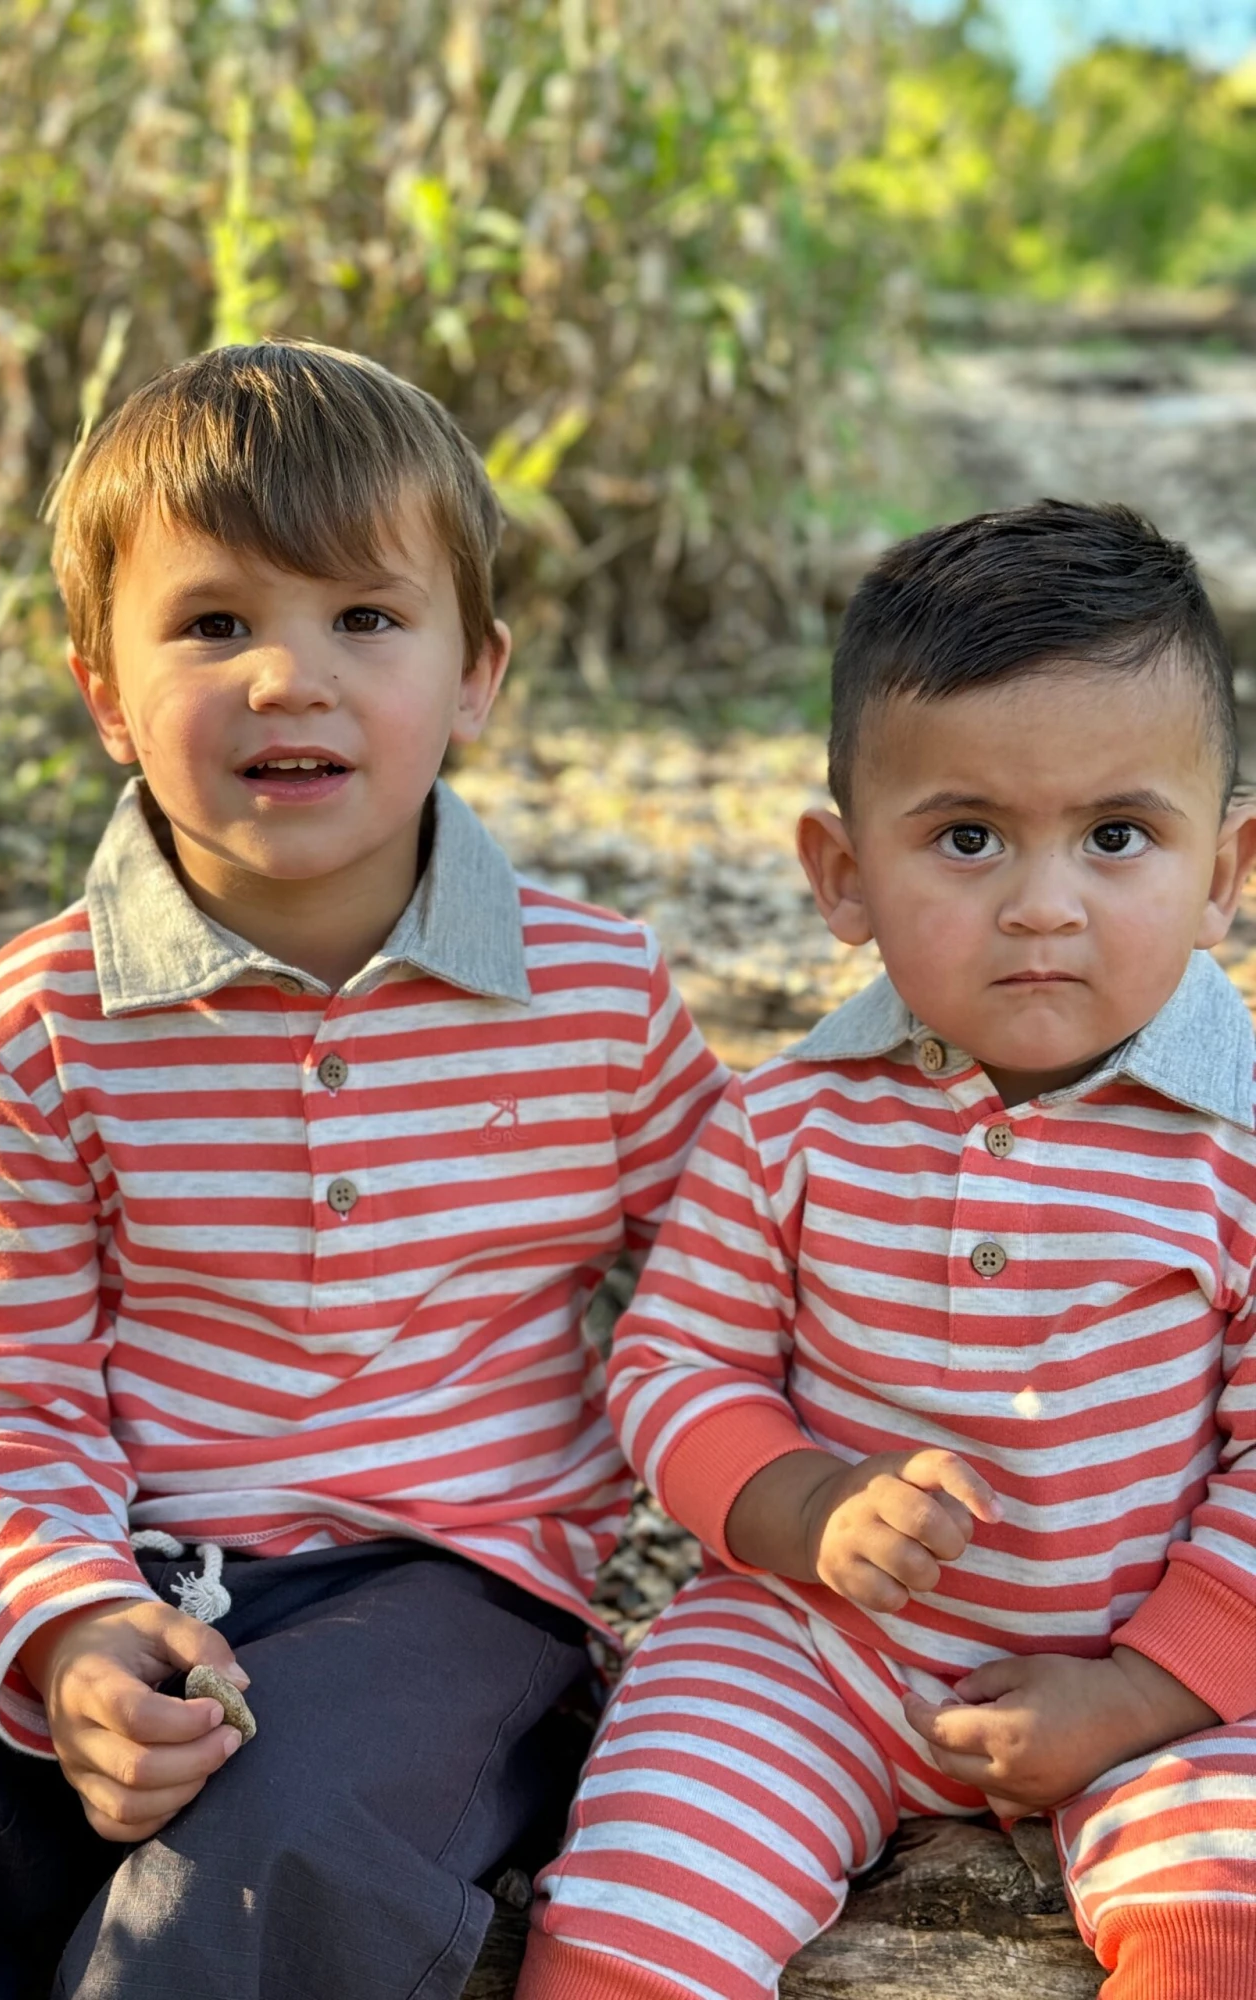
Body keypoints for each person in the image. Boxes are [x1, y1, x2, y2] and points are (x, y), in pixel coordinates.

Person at [0, 340, 726, 2000]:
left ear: (476, 675)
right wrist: (67, 1627)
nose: (290, 677)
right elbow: (0, 1379)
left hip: (449, 1586)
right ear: (105, 692)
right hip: (115, 1543)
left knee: (255, 1871)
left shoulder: (594, 997)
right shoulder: (39, 1021)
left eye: (365, 617)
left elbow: (750, 1270)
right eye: (215, 625)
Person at [520, 499, 1256, 2000]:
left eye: (1119, 837)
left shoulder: (1234, 1149)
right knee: (649, 1853)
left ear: (1227, 871)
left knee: (1226, 1900)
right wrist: (802, 1504)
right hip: (822, 1645)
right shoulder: (786, 1123)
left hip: (1173, 1673)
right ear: (842, 874)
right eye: (968, 838)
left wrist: (1139, 1692)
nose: (1044, 904)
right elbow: (674, 1366)